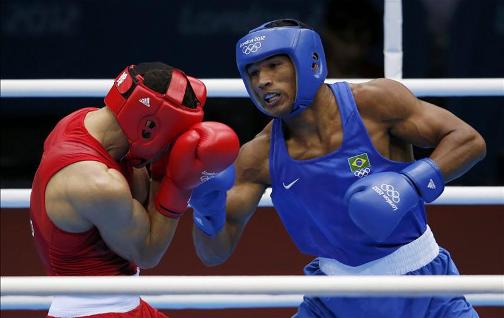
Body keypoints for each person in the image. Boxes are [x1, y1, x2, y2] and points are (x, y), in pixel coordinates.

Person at [190, 19, 486, 317]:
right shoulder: (258, 156)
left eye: (274, 66)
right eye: (252, 73)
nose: (262, 81)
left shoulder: (375, 104)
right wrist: (205, 210)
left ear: (311, 61)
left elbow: (468, 140)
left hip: (425, 288)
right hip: (332, 301)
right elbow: (213, 253)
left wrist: (410, 184)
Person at [29, 62, 240, 317]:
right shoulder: (97, 184)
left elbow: (138, 197)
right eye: (172, 138)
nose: (171, 147)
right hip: (95, 312)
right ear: (148, 127)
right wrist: (176, 182)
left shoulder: (80, 121)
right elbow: (148, 252)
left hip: (126, 304)